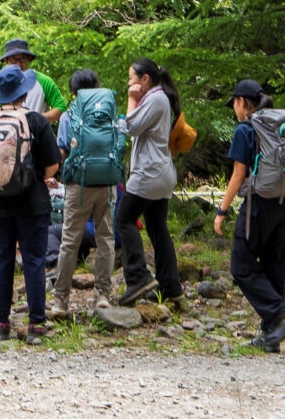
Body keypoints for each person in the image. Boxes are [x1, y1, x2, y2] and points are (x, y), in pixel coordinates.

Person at [213, 78, 285, 352]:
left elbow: (238, 175)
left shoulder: (245, 129)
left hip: (257, 206)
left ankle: (282, 314)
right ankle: (271, 335)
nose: (234, 109)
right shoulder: (277, 127)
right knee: (275, 267)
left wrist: (222, 210)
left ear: (242, 102)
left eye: (234, 104)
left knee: (241, 265)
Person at [0, 64, 62, 341]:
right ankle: (36, 325)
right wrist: (31, 179)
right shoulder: (36, 121)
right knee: (34, 261)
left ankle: (0, 324)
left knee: (0, 260)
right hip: (33, 204)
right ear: (23, 93)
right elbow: (52, 166)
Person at [50, 67, 124, 320]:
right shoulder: (108, 111)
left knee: (70, 240)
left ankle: (61, 300)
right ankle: (102, 294)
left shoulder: (70, 114)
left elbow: (62, 151)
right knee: (106, 238)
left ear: (74, 91)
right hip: (107, 183)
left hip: (77, 185)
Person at [117, 57, 184, 307]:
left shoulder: (155, 99)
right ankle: (171, 287)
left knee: (124, 219)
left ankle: (138, 278)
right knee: (157, 227)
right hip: (161, 172)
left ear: (145, 79)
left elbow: (130, 127)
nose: (129, 84)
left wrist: (131, 99)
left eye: (131, 78)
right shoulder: (159, 98)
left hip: (149, 173)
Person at [0, 36, 69, 121]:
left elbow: (61, 108)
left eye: (22, 59)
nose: (18, 64)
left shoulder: (44, 81)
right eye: (13, 60)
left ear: (29, 59)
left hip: (38, 129)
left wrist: (36, 119)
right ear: (6, 60)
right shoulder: (1, 85)